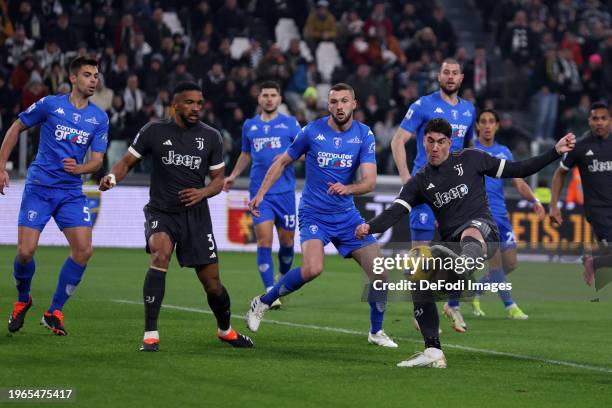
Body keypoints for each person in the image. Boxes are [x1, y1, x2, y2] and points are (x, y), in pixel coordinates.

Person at [355, 118, 575, 367]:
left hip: (483, 233)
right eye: (430, 142)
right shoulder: (419, 182)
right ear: (423, 143)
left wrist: (554, 152)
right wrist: (369, 227)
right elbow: (395, 211)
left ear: (449, 143)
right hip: (451, 247)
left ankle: (466, 262)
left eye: (440, 142)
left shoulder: (471, 159)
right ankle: (433, 352)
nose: (435, 147)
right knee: (417, 276)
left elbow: (519, 169)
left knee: (471, 232)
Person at [99, 82, 253, 351]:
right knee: (159, 254)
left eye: (200, 104)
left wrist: (202, 193)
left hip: (196, 216)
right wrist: (112, 176)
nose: (196, 108)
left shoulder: (211, 137)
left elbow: (218, 180)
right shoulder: (154, 131)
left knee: (213, 285)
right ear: (175, 105)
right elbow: (126, 162)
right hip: (162, 211)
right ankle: (150, 334)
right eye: (190, 103)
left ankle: (225, 330)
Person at [245, 83, 397, 348]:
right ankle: (263, 302)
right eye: (334, 101)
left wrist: (348, 188)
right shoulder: (312, 131)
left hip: (347, 216)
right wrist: (260, 193)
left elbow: (370, 181)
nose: (339, 106)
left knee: (380, 273)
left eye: (344, 101)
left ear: (354, 104)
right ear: (328, 105)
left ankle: (376, 331)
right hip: (314, 214)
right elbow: (282, 161)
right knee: (313, 268)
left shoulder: (364, 135)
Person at [1, 57, 109, 336]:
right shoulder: (50, 104)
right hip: (40, 187)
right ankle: (23, 299)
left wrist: (80, 168)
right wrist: (1, 166)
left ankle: (54, 311)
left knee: (84, 250)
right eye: (87, 75)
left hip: (70, 191)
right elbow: (16, 127)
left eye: (96, 75)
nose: (93, 80)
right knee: (25, 252)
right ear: (73, 78)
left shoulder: (99, 117)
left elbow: (97, 161)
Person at [391, 57, 476, 330]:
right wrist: (407, 180)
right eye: (446, 73)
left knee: (464, 251)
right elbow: (397, 141)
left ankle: (452, 305)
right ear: (439, 77)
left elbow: (466, 148)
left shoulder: (468, 111)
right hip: (426, 189)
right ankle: (422, 312)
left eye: (455, 73)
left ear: (462, 78)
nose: (450, 77)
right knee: (422, 253)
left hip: (456, 191)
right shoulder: (423, 105)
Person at [224, 81, 301, 308]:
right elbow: (245, 153)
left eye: (273, 95)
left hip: (285, 193)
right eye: (265, 95)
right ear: (259, 99)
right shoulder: (250, 125)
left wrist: (289, 157)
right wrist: (234, 174)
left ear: (279, 99)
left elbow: (305, 151)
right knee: (264, 240)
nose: (269, 99)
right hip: (260, 193)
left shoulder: (290, 124)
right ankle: (270, 290)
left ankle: (282, 281)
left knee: (287, 243)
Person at [469, 109, 545, 321]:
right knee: (495, 263)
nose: (486, 125)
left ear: (497, 126)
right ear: (477, 126)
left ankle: (475, 289)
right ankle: (510, 306)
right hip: (481, 215)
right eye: (482, 121)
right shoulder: (470, 150)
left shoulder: (504, 152)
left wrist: (535, 200)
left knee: (510, 264)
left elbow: (518, 182)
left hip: (501, 215)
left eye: (491, 121)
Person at [550, 102, 612, 288]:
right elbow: (560, 173)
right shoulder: (581, 146)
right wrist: (554, 205)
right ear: (589, 121)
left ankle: (594, 261)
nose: (599, 122)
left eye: (603, 118)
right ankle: (594, 263)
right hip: (599, 211)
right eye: (595, 118)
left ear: (610, 120)